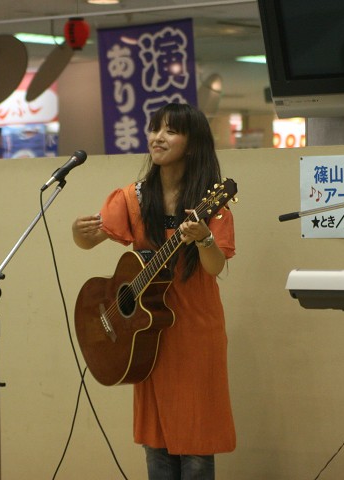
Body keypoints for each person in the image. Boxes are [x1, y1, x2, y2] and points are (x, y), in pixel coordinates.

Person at [71, 102, 236, 480]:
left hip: (195, 333)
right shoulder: (135, 197)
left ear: (192, 145)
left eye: (170, 131)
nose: (157, 138)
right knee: (156, 440)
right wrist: (78, 234)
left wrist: (204, 238)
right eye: (154, 129)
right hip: (145, 334)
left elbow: (215, 266)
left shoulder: (212, 203)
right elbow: (89, 241)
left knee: (196, 441)